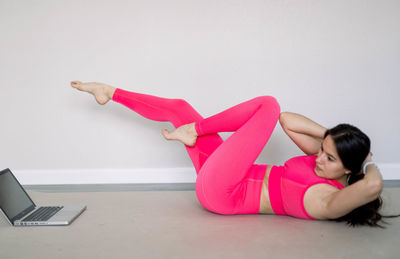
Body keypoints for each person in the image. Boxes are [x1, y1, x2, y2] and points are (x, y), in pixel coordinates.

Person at [70, 81, 399, 227]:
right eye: (323, 151)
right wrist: (333, 139)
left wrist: (368, 161)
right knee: (180, 107)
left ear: (350, 169)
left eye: (329, 158)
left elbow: (370, 186)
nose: (319, 158)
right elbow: (289, 122)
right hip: (228, 174)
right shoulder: (328, 164)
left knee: (267, 105)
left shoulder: (330, 201)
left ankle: (193, 132)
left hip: (225, 192)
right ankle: (109, 91)